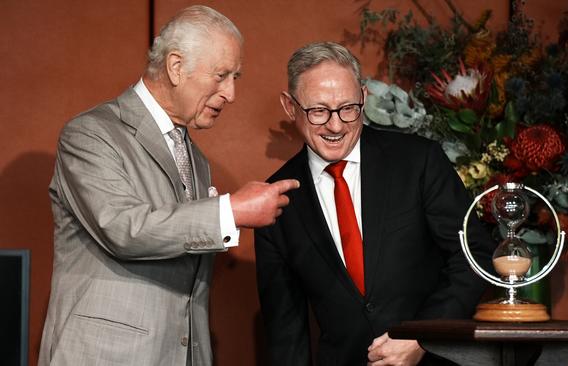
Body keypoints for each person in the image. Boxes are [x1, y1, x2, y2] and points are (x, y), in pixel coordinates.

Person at [38, 5, 298, 366]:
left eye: (235, 77)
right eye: (222, 75)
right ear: (176, 67)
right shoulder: (91, 134)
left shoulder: (197, 159)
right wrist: (230, 211)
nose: (231, 93)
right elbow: (123, 229)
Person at [254, 42, 496, 366]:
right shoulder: (274, 199)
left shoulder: (418, 160)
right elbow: (286, 332)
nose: (336, 125)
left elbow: (473, 254)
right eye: (318, 111)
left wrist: (423, 334)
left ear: (364, 98)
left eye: (348, 108)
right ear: (290, 106)